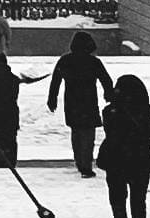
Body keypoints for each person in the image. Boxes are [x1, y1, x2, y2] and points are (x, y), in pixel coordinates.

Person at [45, 31, 113, 178]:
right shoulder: (93, 62)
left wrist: (52, 99)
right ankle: (86, 164)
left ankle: (79, 161)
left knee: (76, 132)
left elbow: (56, 81)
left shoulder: (65, 60)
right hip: (89, 101)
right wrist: (110, 95)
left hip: (72, 102)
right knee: (88, 133)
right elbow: (106, 80)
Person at [97, 73, 150, 218]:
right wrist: (139, 143)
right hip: (140, 158)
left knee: (117, 198)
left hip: (114, 158)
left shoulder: (110, 111)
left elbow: (111, 132)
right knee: (138, 199)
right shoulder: (146, 112)